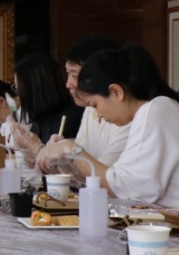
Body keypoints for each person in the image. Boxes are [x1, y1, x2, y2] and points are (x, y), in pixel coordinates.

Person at [46, 44, 179, 218]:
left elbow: (123, 187)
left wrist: (73, 149)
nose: (98, 116)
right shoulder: (155, 109)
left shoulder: (154, 112)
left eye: (95, 105)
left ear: (116, 92)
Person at [40, 35, 131, 169]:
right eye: (68, 74)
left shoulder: (126, 116)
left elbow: (104, 174)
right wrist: (62, 152)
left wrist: (69, 149)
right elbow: (81, 161)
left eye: (75, 76)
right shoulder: (89, 109)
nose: (68, 84)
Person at [13, 53, 83, 143]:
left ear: (36, 89)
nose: (18, 98)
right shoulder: (41, 119)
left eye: (19, 90)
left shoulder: (69, 117)